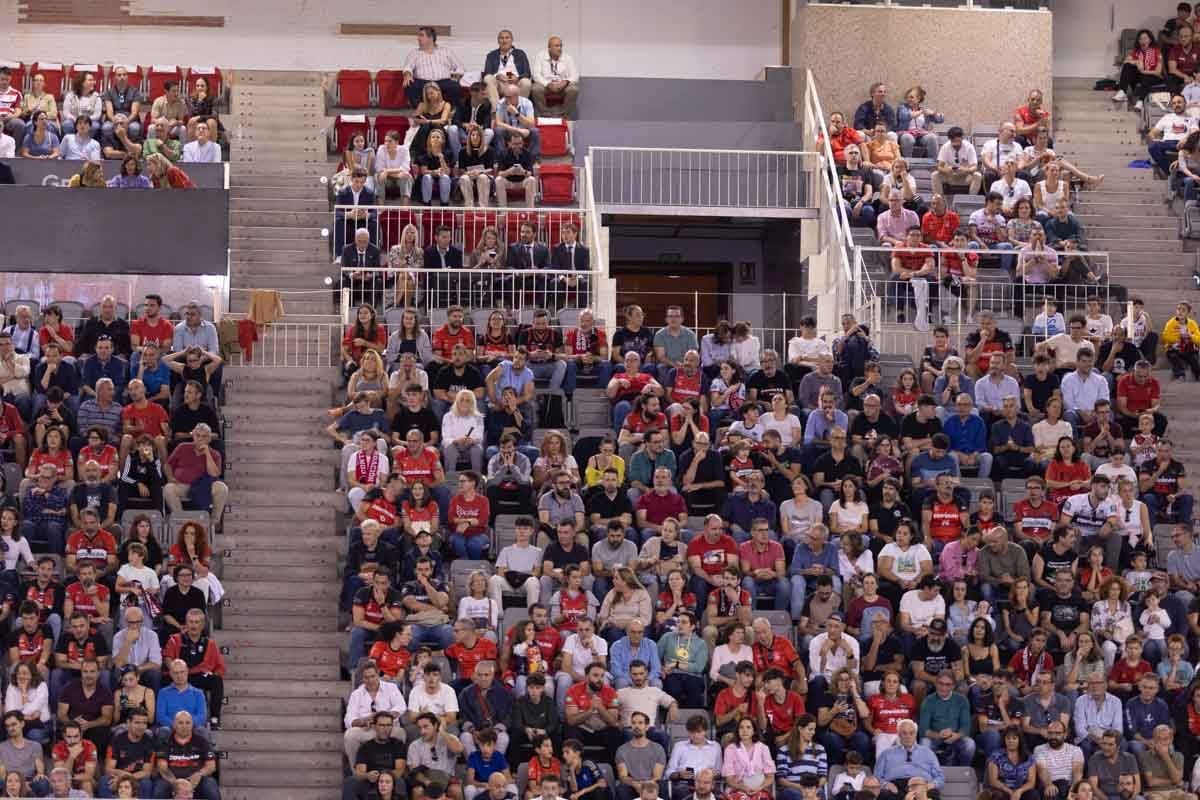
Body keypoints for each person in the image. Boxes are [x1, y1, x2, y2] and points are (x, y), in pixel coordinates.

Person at [532, 36, 579, 118]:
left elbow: (575, 76)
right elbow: (536, 75)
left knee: (574, 89)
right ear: (549, 47)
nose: (559, 48)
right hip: (546, 86)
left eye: (561, 46)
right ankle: (545, 114)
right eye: (556, 46)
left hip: (562, 86)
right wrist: (548, 84)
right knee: (535, 88)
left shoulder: (568, 58)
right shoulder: (540, 56)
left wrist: (565, 82)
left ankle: (563, 115)